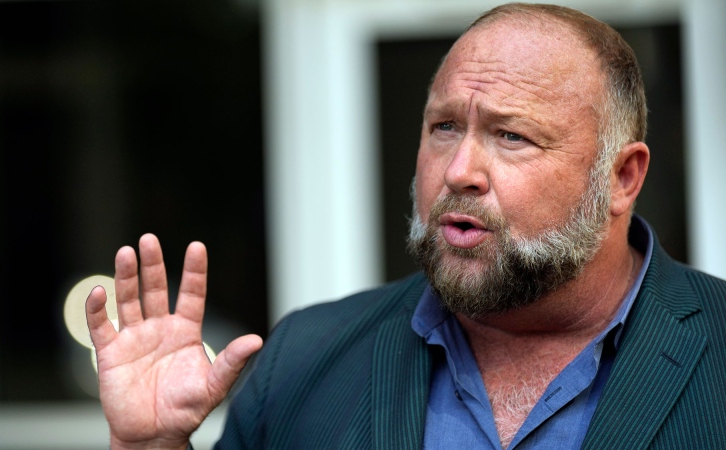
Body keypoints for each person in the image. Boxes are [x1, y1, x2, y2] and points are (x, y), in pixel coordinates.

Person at [85, 2, 726, 449]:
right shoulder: (306, 358)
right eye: (445, 127)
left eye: (512, 135)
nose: (459, 171)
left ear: (622, 179)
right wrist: (153, 446)